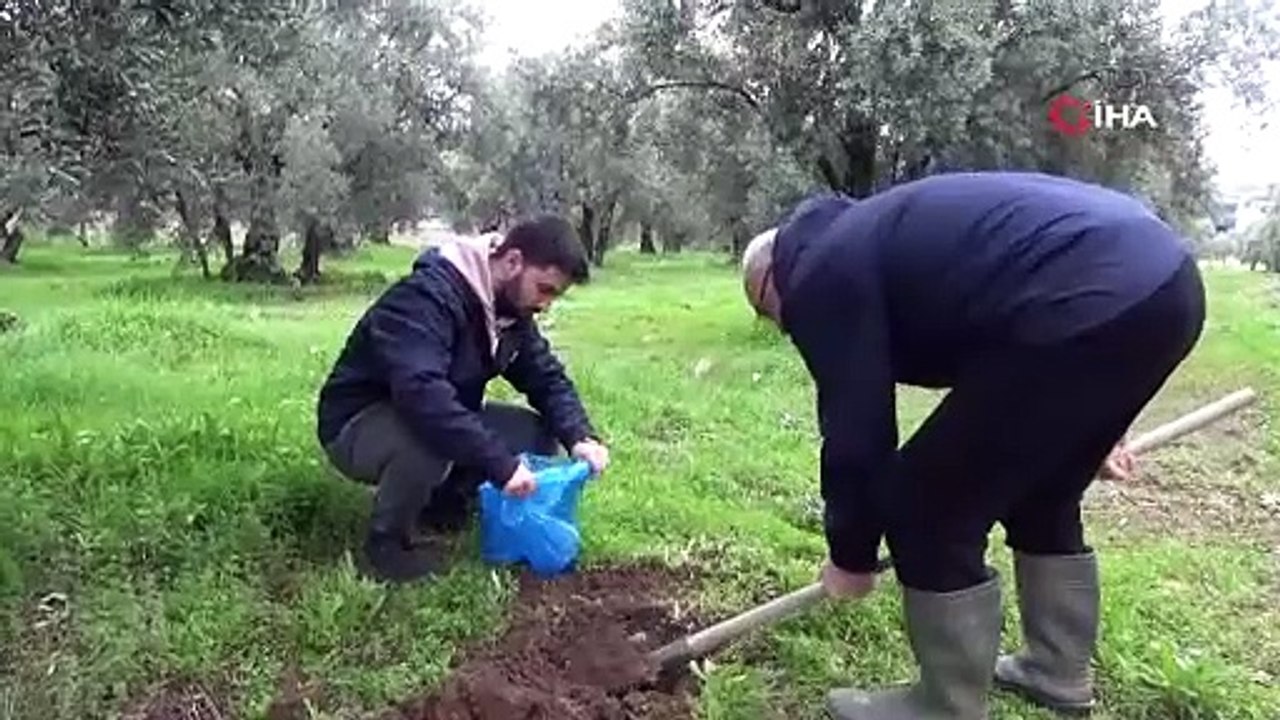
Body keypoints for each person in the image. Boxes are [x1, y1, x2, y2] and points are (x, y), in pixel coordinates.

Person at [741, 171, 1205, 719]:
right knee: (1042, 486)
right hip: (1166, 284)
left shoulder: (817, 272)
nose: (787, 329)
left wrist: (851, 555)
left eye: (771, 315)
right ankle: (1056, 669)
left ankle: (944, 706)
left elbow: (857, 432)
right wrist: (1090, 422)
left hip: (1082, 300)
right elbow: (1009, 359)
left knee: (923, 504)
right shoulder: (879, 238)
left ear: (772, 278)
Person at [316, 214, 610, 583]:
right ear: (513, 261)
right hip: (356, 424)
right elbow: (422, 394)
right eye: (545, 289)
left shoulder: (510, 315)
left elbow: (546, 379)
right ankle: (387, 545)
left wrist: (580, 436)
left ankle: (441, 505)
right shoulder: (425, 298)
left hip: (425, 414)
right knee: (428, 439)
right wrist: (500, 465)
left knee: (534, 434)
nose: (546, 304)